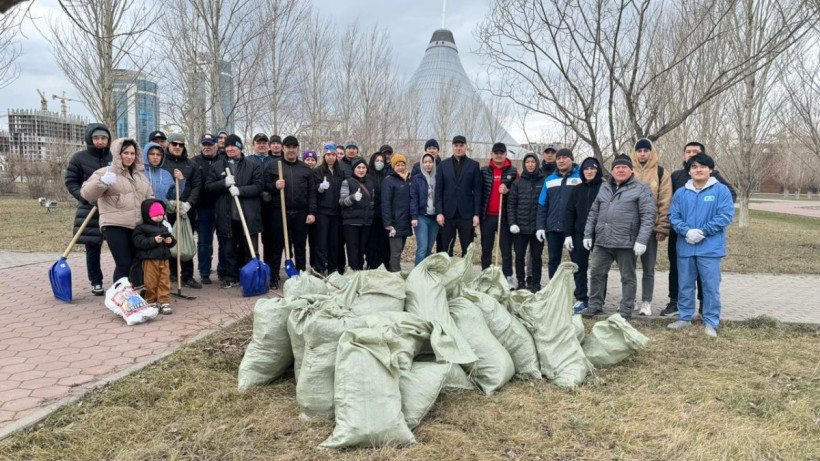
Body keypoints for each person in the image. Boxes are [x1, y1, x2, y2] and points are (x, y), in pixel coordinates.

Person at [661, 142, 737, 317]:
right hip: (685, 244)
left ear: (710, 169)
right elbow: (673, 214)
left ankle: (710, 319)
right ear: (689, 170)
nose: (698, 169)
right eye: (694, 167)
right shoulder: (680, 190)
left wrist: (703, 231)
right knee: (684, 283)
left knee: (710, 285)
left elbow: (725, 215)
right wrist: (686, 231)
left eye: (702, 166)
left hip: (709, 247)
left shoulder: (721, 189)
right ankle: (684, 315)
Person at [579, 154, 656, 320]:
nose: (620, 170)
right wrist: (587, 234)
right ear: (612, 171)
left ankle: (626, 309)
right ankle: (595, 305)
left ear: (631, 170)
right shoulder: (605, 187)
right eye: (617, 168)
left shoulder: (641, 188)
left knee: (627, 277)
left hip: (626, 243)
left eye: (624, 167)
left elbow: (648, 216)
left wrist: (642, 240)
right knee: (596, 274)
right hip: (602, 241)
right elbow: (593, 212)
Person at [81, 137, 154, 284]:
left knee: (137, 262)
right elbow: (87, 194)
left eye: (132, 153)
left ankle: (137, 296)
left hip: (137, 225)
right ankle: (121, 298)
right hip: (115, 225)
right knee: (124, 264)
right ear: (117, 153)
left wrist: (158, 217)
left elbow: (149, 199)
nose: (129, 157)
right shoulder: (104, 173)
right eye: (125, 153)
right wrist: (101, 182)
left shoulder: (140, 177)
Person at [205, 134, 264, 289]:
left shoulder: (252, 165)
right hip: (227, 216)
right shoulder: (217, 166)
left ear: (240, 148)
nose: (230, 149)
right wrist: (223, 183)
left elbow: (258, 186)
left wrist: (241, 190)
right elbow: (208, 187)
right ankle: (231, 277)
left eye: (234, 146)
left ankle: (250, 276)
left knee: (249, 248)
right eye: (228, 146)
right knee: (229, 250)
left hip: (248, 215)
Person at [64, 123, 112, 295]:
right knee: (93, 247)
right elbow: (71, 181)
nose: (100, 141)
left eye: (103, 138)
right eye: (96, 138)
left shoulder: (114, 157)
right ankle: (96, 282)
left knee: (118, 246)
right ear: (90, 139)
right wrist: (84, 197)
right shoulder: (79, 158)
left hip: (112, 210)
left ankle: (121, 280)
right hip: (90, 210)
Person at [264, 135, 316, 289]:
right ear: (283, 148)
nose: (291, 150)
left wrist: (311, 212)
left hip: (300, 213)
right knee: (276, 246)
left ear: (297, 149)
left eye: (294, 147)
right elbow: (264, 186)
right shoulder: (274, 166)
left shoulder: (305, 168)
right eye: (288, 147)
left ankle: (300, 275)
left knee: (300, 246)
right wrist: (275, 186)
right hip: (280, 212)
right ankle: (274, 277)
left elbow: (312, 192)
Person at [629, 138, 673, 316]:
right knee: (628, 267)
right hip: (628, 229)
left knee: (648, 267)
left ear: (651, 152)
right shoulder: (627, 170)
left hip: (650, 229)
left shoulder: (661, 173)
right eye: (639, 151)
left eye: (645, 150)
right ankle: (629, 299)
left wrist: (662, 228)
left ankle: (646, 301)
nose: (642, 154)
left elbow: (665, 202)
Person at [564, 157, 604, 312]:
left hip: (599, 234)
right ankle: (581, 298)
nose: (589, 171)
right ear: (582, 171)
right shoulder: (577, 189)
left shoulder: (604, 188)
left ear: (597, 170)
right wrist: (568, 234)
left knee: (599, 269)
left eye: (592, 168)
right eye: (586, 169)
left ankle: (598, 300)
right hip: (579, 234)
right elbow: (569, 212)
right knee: (580, 267)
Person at [162, 134, 202, 288]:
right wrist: (167, 203)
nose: (177, 147)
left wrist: (189, 204)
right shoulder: (163, 163)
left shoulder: (190, 165)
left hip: (186, 210)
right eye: (174, 144)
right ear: (169, 145)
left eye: (180, 145)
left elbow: (197, 186)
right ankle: (172, 273)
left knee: (185, 239)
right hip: (168, 209)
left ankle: (187, 275)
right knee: (169, 240)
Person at [535, 148, 581, 279]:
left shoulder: (580, 178)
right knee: (553, 261)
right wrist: (540, 226)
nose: (561, 161)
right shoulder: (549, 180)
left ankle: (579, 295)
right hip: (553, 227)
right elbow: (542, 204)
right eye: (559, 158)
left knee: (577, 263)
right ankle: (553, 292)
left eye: (565, 157)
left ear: (571, 159)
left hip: (574, 229)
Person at [435, 135, 482, 256]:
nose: (458, 148)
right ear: (452, 147)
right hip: (447, 214)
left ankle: (466, 273)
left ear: (466, 147)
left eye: (461, 145)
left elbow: (477, 192)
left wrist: (476, 214)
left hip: (466, 214)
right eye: (456, 146)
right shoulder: (443, 165)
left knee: (467, 250)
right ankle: (447, 273)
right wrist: (439, 212)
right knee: (445, 249)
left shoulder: (474, 165)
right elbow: (438, 191)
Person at [479, 142, 518, 287]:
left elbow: (519, 192)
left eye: (502, 153)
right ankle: (485, 275)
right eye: (496, 153)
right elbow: (478, 191)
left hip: (505, 216)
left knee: (506, 248)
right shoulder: (484, 171)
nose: (499, 155)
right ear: (491, 155)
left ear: (505, 154)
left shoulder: (513, 172)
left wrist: (508, 191)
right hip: (487, 216)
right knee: (486, 248)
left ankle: (508, 276)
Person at [132, 199, 176, 315]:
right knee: (150, 281)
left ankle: (164, 301)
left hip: (164, 258)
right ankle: (151, 300)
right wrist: (153, 240)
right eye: (156, 215)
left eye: (161, 215)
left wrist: (170, 241)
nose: (159, 217)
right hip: (150, 259)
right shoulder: (141, 228)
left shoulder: (164, 227)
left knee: (164, 280)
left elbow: (172, 241)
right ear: (148, 214)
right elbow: (139, 242)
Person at [509, 153, 545, 291]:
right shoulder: (517, 183)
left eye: (532, 162)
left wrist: (543, 225)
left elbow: (546, 204)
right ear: (524, 164)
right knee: (519, 256)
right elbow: (511, 204)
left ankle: (536, 283)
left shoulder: (543, 182)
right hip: (520, 228)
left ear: (537, 163)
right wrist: (512, 223)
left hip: (537, 228)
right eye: (527, 162)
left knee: (536, 257)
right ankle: (521, 282)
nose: (530, 164)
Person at [193, 133, 225, 284]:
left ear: (216, 146)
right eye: (204, 144)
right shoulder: (194, 162)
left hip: (221, 207)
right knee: (204, 242)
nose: (207, 147)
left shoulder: (223, 160)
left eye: (210, 144)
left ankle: (222, 270)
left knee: (224, 241)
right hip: (203, 208)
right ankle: (204, 272)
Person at [339, 157, 376, 270]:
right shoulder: (347, 182)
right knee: (352, 249)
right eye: (358, 167)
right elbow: (342, 201)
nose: (361, 170)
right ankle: (353, 272)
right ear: (354, 169)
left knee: (361, 249)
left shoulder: (370, 183)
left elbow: (372, 202)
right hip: (351, 222)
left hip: (365, 222)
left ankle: (359, 271)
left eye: (363, 167)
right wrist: (353, 198)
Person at [313, 142, 344, 275]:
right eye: (328, 154)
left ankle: (332, 267)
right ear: (324, 155)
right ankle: (320, 267)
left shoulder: (340, 172)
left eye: (333, 155)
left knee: (334, 241)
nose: (331, 157)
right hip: (322, 211)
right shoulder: (318, 171)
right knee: (321, 241)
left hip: (336, 212)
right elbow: (312, 192)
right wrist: (320, 188)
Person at [249, 133, 277, 273]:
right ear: (253, 145)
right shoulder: (247, 161)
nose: (261, 145)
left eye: (264, 143)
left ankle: (268, 268)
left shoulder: (274, 162)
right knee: (250, 238)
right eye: (258, 143)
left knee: (269, 240)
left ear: (268, 145)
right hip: (251, 205)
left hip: (270, 206)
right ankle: (253, 267)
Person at [381, 154, 412, 272]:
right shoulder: (389, 181)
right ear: (393, 166)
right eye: (397, 165)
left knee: (399, 251)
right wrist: (388, 222)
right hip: (395, 223)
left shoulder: (407, 180)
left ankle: (393, 272)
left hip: (405, 222)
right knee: (395, 252)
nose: (400, 167)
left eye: (402, 164)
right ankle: (396, 276)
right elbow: (385, 203)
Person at [410, 153, 439, 265]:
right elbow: (414, 198)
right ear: (422, 164)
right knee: (422, 248)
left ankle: (426, 272)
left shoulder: (438, 177)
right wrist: (414, 216)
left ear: (433, 163)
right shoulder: (417, 179)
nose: (428, 164)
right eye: (425, 162)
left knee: (429, 249)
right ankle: (417, 274)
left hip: (434, 218)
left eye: (430, 162)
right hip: (421, 217)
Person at [365, 151, 390, 269]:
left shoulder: (387, 175)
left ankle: (384, 265)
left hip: (384, 215)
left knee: (384, 243)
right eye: (377, 161)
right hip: (371, 215)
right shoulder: (367, 175)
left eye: (381, 161)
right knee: (372, 242)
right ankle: (372, 264)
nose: (379, 163)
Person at [302, 149, 319, 270]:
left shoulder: (318, 174)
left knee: (314, 241)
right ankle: (300, 265)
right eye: (308, 159)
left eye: (313, 160)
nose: (310, 162)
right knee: (300, 242)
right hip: (302, 211)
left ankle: (314, 264)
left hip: (316, 212)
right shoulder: (300, 172)